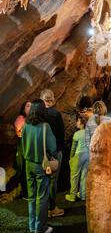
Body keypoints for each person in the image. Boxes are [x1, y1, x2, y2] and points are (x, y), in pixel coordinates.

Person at [21, 101, 57, 233]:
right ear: (42, 111)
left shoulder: (26, 125)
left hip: (28, 164)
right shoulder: (45, 127)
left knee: (31, 196)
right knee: (42, 197)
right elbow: (52, 147)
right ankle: (40, 228)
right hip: (41, 165)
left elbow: (23, 145)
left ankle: (32, 225)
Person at [40, 89, 65, 218]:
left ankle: (42, 208)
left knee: (42, 180)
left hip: (40, 154)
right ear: (52, 99)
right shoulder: (55, 114)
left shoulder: (38, 115)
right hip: (54, 153)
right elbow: (61, 135)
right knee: (52, 181)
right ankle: (52, 208)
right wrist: (59, 150)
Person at [65, 115, 89, 202]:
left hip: (78, 155)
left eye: (78, 121)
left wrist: (71, 158)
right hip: (88, 155)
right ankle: (83, 194)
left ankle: (72, 196)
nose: (76, 123)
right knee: (84, 175)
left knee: (74, 176)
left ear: (82, 123)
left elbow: (73, 148)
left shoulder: (77, 134)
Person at [14, 101, 31, 199]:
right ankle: (25, 193)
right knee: (23, 169)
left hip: (30, 146)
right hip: (23, 147)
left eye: (31, 106)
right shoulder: (21, 118)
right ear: (23, 108)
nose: (30, 107)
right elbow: (19, 133)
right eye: (28, 106)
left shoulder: (32, 119)